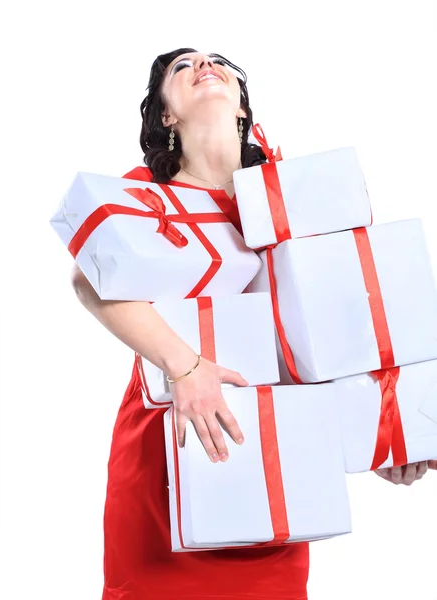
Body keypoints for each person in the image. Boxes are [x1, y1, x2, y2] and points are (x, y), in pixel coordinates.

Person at [71, 48, 436, 600]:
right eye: (182, 67)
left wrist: (381, 435)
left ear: (243, 107)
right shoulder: (148, 196)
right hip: (173, 440)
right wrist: (187, 368)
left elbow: (343, 328)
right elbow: (88, 282)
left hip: (278, 454)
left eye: (217, 61)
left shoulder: (296, 199)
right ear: (165, 115)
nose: (204, 65)